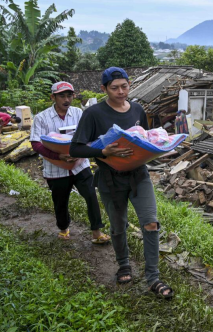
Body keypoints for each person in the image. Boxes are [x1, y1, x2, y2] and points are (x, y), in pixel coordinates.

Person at [69, 67, 174, 299]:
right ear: (104, 89)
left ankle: (153, 277)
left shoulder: (137, 109)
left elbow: (145, 139)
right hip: (109, 179)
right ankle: (124, 264)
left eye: (124, 86)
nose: (120, 91)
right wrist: (103, 150)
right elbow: (75, 148)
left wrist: (158, 149)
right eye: (114, 87)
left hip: (139, 176)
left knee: (151, 223)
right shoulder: (94, 114)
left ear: (129, 85)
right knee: (118, 227)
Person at [29, 82, 111, 244]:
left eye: (69, 95)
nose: (67, 99)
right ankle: (64, 227)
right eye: (62, 96)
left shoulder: (78, 113)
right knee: (60, 201)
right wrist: (58, 156)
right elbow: (36, 143)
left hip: (80, 164)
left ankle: (96, 231)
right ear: (53, 97)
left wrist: (83, 150)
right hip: (55, 168)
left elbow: (88, 134)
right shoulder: (41, 118)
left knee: (90, 195)